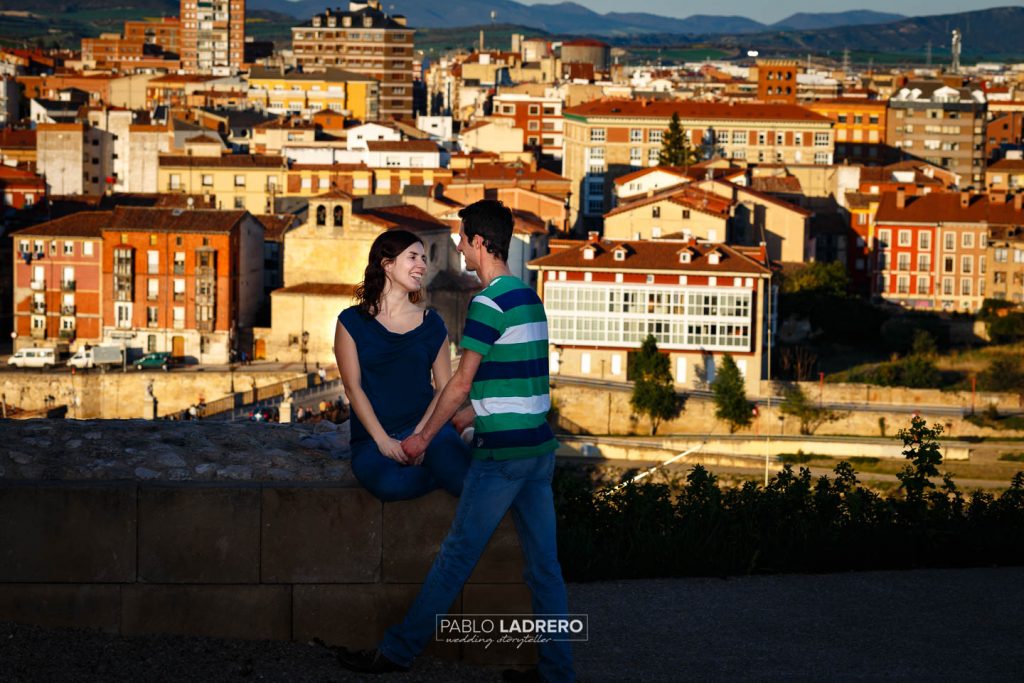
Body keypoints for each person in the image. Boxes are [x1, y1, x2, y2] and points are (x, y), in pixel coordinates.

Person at [337, 200, 575, 682]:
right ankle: (557, 672)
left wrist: (423, 437)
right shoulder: (529, 298)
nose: (460, 249)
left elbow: (460, 385)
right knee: (545, 569)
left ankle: (398, 652)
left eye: (464, 240)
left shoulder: (487, 304)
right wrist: (463, 425)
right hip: (539, 452)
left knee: (454, 559)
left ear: (482, 243)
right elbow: (520, 383)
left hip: (503, 455)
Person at [333, 229, 470, 502]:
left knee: (462, 480)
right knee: (390, 485)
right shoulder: (351, 322)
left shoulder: (432, 323)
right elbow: (353, 388)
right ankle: (440, 474)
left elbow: (444, 387)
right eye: (412, 257)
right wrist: (383, 441)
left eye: (423, 257)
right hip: (372, 438)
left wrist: (421, 437)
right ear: (387, 264)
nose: (422, 265)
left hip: (426, 430)